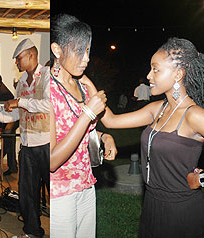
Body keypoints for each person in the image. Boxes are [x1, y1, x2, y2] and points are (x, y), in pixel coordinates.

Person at [81, 37, 204, 238]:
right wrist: (86, 82)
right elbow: (111, 121)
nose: (149, 75)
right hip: (151, 203)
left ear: (178, 74)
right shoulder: (157, 109)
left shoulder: (194, 115)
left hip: (181, 210)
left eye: (156, 69)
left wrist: (203, 179)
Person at [50, 14, 117, 238]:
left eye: (88, 50)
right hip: (60, 191)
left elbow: (82, 129)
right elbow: (51, 160)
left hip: (87, 184)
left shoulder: (83, 85)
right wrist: (88, 113)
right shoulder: (47, 90)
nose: (86, 58)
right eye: (79, 51)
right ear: (57, 50)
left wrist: (103, 136)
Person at [0, 38, 50, 238]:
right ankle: (33, 231)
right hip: (27, 145)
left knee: (55, 192)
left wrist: (20, 101)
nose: (16, 63)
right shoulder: (22, 83)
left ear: (31, 55)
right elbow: (16, 114)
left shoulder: (49, 76)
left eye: (18, 58)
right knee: (28, 194)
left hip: (49, 145)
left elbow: (49, 105)